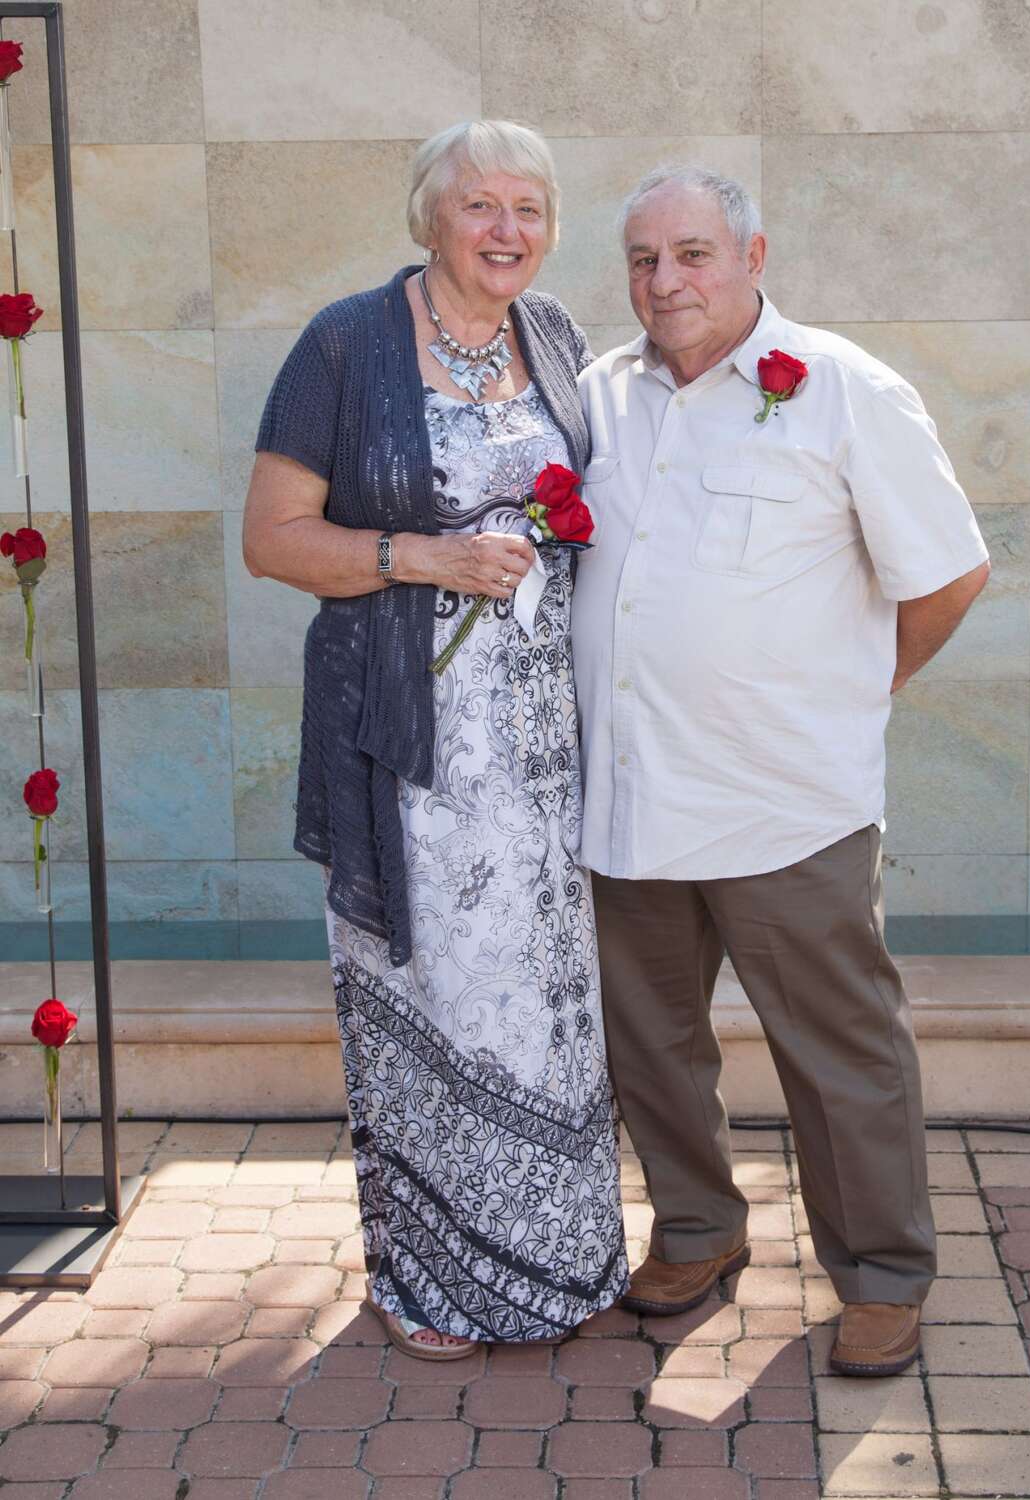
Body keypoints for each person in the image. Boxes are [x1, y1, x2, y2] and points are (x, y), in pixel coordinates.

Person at [572, 166, 990, 1378]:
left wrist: (855, 695)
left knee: (840, 1052)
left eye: (694, 254)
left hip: (787, 802)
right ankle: (698, 1230)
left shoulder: (847, 392)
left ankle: (880, 1276)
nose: (668, 281)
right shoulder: (600, 394)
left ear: (757, 257)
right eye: (646, 260)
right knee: (649, 1045)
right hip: (630, 797)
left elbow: (949, 572)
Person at [242, 120, 627, 1360]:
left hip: (542, 755)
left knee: (546, 1010)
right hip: (409, 756)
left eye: (530, 206)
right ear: (430, 216)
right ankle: (436, 1282)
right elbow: (274, 537)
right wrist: (422, 558)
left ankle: (558, 1268)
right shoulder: (344, 344)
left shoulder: (554, 336)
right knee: (438, 999)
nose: (507, 230)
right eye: (481, 206)